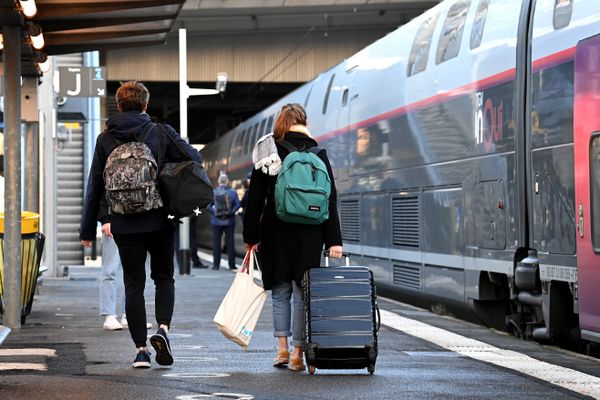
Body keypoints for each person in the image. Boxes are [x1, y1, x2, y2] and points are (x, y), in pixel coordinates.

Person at [80, 81, 202, 368]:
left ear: (119, 106)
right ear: (145, 105)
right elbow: (194, 158)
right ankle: (162, 330)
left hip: (123, 223)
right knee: (163, 278)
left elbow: (94, 186)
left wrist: (88, 229)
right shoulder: (161, 132)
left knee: (133, 285)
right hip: (160, 219)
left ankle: (140, 352)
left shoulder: (105, 139)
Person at [243, 103, 343, 371]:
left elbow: (255, 198)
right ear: (304, 122)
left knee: (280, 292)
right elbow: (330, 200)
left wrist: (251, 235)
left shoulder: (269, 150)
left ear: (281, 123)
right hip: (311, 232)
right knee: (302, 293)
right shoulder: (318, 153)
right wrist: (335, 240)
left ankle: (283, 350)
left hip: (276, 230)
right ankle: (299, 351)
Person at [208, 173, 240, 270]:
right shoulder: (232, 192)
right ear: (227, 182)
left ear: (218, 182)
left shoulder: (213, 192)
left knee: (216, 243)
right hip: (229, 221)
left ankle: (216, 265)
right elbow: (238, 205)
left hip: (216, 222)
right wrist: (230, 212)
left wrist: (215, 213)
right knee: (230, 243)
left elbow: (208, 206)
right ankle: (232, 265)